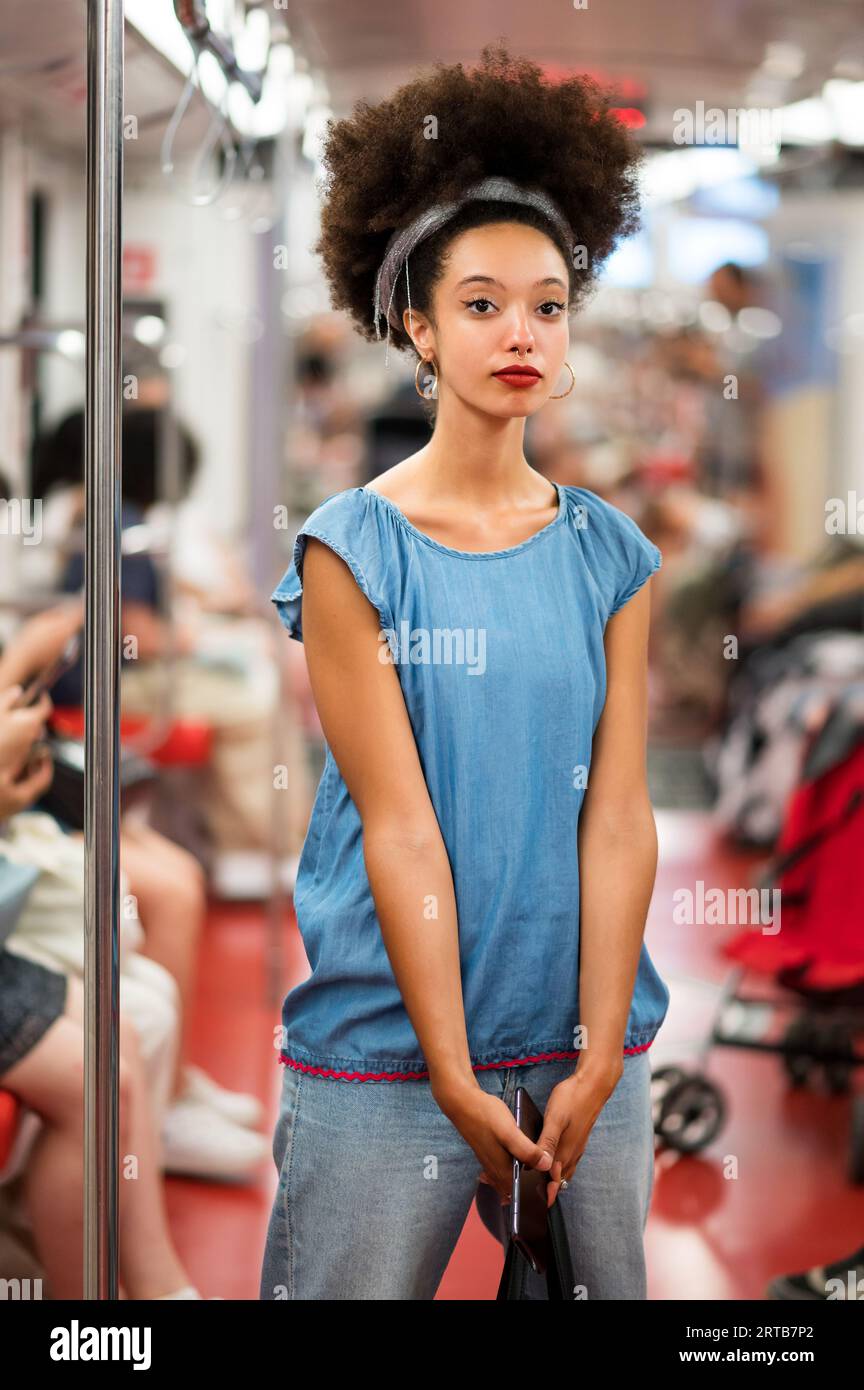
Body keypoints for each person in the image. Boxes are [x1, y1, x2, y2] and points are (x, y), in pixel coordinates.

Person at [260, 44, 669, 1301]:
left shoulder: (613, 550)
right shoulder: (354, 550)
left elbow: (618, 813)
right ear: (419, 329)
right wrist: (449, 1065)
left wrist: (598, 1053)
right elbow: (401, 830)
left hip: (583, 1035)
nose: (521, 334)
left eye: (548, 305)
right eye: (482, 304)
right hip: (391, 1043)